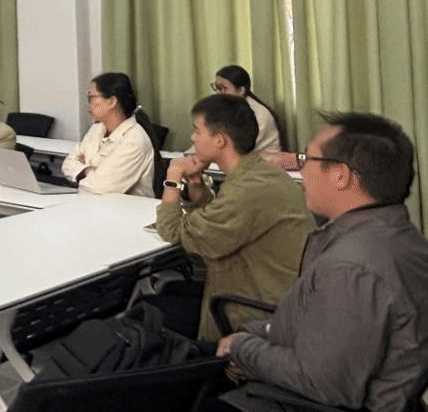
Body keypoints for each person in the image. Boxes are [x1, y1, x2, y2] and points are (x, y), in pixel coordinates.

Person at [216, 113, 428, 412]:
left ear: (340, 176)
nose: (302, 170)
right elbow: (324, 325)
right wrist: (261, 333)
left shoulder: (351, 266)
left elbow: (321, 383)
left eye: (307, 159)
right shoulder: (396, 235)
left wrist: (242, 348)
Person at [155, 94, 312, 343]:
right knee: (169, 294)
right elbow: (223, 220)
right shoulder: (260, 173)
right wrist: (195, 185)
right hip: (273, 294)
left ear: (219, 140)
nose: (192, 137)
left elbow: (172, 229)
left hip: (253, 312)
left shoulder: (246, 190)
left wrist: (173, 178)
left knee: (150, 313)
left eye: (197, 130)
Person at [62, 72, 157, 197]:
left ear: (112, 101)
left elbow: (100, 188)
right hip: (90, 202)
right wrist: (89, 171)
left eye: (91, 98)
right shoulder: (97, 128)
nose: (88, 104)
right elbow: (67, 164)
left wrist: (82, 170)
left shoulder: (135, 140)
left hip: (124, 208)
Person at [210, 65, 282, 154]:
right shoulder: (223, 109)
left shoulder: (259, 114)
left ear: (241, 90)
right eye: (217, 88)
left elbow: (238, 150)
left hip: (261, 160)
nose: (218, 93)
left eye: (224, 88)